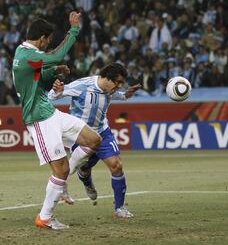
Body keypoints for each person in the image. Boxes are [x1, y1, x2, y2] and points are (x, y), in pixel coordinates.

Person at [12, 12, 102, 230]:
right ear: (42, 38)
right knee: (59, 171)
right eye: (48, 40)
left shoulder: (27, 54)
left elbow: (39, 82)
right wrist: (74, 30)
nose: (48, 44)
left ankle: (67, 173)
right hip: (39, 119)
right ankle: (45, 217)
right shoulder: (25, 55)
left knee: (93, 139)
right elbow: (55, 55)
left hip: (50, 112)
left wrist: (54, 73)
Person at [48, 62, 141, 218]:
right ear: (107, 78)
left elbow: (116, 95)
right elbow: (53, 96)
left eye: (121, 84)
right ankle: (83, 178)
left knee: (116, 166)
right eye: (117, 82)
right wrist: (56, 91)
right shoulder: (83, 86)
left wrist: (126, 95)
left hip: (102, 132)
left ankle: (119, 208)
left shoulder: (110, 89)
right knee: (84, 168)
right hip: (82, 135)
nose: (118, 86)